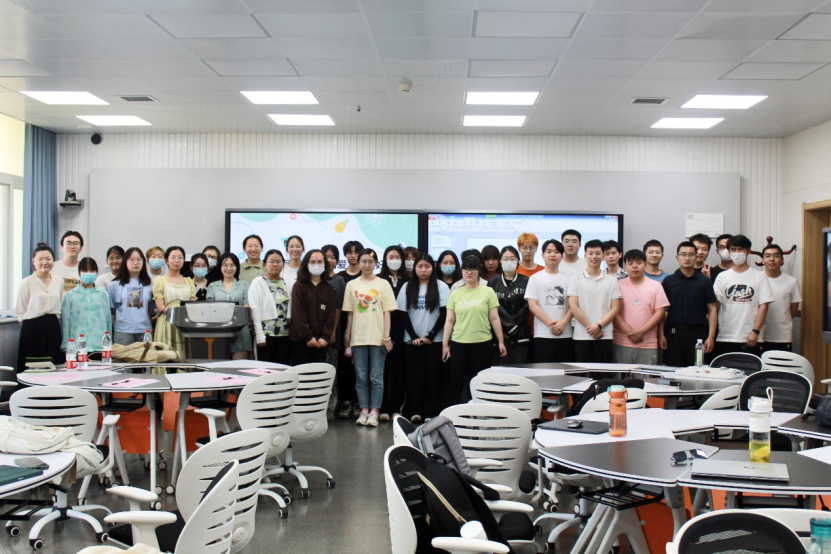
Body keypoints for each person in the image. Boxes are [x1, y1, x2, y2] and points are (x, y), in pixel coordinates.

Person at [343, 249, 397, 428]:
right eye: (363, 261)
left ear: (376, 264)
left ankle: (375, 412)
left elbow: (387, 312)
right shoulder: (351, 285)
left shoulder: (383, 284)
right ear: (358, 263)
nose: (367, 265)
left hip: (378, 338)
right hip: (358, 338)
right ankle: (363, 410)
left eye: (370, 262)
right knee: (361, 377)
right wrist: (347, 336)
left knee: (376, 377)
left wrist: (386, 337)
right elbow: (350, 313)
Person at [443, 255, 506, 406]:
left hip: (482, 344)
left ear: (479, 270)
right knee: (456, 382)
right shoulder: (455, 293)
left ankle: (481, 413)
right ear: (461, 271)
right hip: (459, 344)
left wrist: (501, 341)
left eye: (473, 269)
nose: (469, 272)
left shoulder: (488, 291)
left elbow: (494, 318)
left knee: (480, 382)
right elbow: (449, 320)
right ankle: (451, 414)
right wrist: (445, 345)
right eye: (466, 269)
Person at [398, 254, 449, 422]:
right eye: (420, 266)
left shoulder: (441, 286)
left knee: (433, 377)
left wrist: (431, 334)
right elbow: (402, 314)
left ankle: (431, 412)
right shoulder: (407, 286)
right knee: (414, 378)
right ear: (415, 268)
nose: (423, 270)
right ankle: (414, 411)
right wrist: (413, 336)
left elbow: (445, 314)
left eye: (427, 266)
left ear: (433, 268)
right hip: (412, 341)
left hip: (435, 340)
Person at [712, 235, 774, 357]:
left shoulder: (759, 276)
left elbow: (764, 306)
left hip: (751, 337)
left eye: (740, 249)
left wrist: (755, 331)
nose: (737, 253)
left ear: (748, 251)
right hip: (726, 336)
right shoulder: (722, 277)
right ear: (728, 251)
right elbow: (715, 306)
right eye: (733, 249)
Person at [661, 241, 719, 367]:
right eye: (683, 254)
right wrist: (661, 335)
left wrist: (711, 337)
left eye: (691, 254)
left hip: (698, 334)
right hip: (673, 334)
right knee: (673, 371)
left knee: (697, 370)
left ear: (696, 257)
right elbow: (662, 311)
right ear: (677, 257)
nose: (687, 258)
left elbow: (712, 310)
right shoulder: (668, 281)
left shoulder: (704, 281)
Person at [568, 239, 621, 363]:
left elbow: (615, 308)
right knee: (582, 372)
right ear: (585, 256)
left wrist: (599, 326)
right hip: (581, 336)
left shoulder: (612, 281)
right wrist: (591, 328)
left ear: (603, 256)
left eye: (597, 253)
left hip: (604, 335)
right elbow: (573, 306)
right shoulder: (575, 279)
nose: (594, 256)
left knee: (603, 372)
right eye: (590, 253)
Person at [612, 250, 669, 365]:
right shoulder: (617, 285)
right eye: (630, 263)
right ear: (625, 266)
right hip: (621, 342)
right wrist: (630, 333)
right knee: (620, 376)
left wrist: (640, 332)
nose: (634, 266)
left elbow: (659, 313)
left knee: (646, 376)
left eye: (638, 263)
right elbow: (613, 312)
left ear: (645, 264)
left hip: (648, 344)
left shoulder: (656, 286)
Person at [15, 243, 63, 372]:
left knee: (54, 364)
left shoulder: (59, 281)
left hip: (52, 326)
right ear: (33, 262)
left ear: (53, 261)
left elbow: (60, 302)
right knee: (33, 365)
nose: (44, 262)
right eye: (40, 259)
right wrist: (29, 327)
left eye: (48, 259)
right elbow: (21, 311)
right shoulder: (26, 282)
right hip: (32, 327)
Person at [525, 239, 574, 363]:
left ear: (562, 256)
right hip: (542, 334)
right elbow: (533, 305)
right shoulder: (535, 278)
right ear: (542, 255)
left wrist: (563, 323)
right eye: (549, 251)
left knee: (565, 370)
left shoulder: (570, 278)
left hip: (565, 333)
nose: (552, 255)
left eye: (556, 252)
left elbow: (573, 305)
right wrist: (550, 324)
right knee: (544, 370)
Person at [289, 250, 337, 365]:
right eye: (312, 262)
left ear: (325, 264)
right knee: (301, 373)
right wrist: (308, 337)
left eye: (320, 262)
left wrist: (325, 337)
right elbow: (298, 314)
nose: (316, 265)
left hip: (321, 341)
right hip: (300, 340)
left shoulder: (328, 288)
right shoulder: (299, 286)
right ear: (306, 264)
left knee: (318, 374)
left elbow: (331, 315)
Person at [249, 249, 292, 365]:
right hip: (266, 335)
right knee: (265, 369)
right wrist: (259, 334)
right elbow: (255, 310)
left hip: (285, 335)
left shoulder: (288, 283)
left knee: (283, 368)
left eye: (279, 261)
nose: (275, 264)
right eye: (271, 261)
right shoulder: (258, 282)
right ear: (265, 264)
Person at [378, 245, 407, 420]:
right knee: (382, 371)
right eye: (391, 257)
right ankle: (383, 408)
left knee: (399, 371)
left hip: (402, 330)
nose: (394, 260)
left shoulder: (408, 280)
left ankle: (396, 407)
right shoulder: (378, 280)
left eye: (397, 257)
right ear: (385, 259)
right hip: (381, 330)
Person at [60, 257, 111, 354]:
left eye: (92, 270)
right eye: (85, 270)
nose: (88, 273)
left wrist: (108, 343)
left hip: (99, 346)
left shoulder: (102, 293)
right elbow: (65, 324)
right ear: (79, 272)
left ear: (96, 272)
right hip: (77, 346)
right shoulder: (70, 296)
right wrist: (66, 345)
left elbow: (108, 319)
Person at [489, 246, 530, 365]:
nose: (509, 262)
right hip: (499, 333)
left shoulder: (526, 280)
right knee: (500, 371)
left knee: (519, 370)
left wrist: (514, 327)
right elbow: (493, 306)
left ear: (518, 260)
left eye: (512, 258)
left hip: (520, 333)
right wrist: (507, 327)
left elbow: (527, 306)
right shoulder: (493, 281)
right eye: (505, 259)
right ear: (500, 261)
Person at [206, 253, 252, 360]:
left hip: (240, 331)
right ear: (220, 267)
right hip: (218, 331)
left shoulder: (244, 285)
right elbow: (209, 310)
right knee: (219, 366)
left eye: (232, 265)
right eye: (225, 265)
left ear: (237, 267)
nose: (229, 268)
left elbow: (246, 307)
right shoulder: (213, 286)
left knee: (240, 367)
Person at [153, 246, 196, 358]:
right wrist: (176, 313)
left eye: (180, 258)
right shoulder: (160, 280)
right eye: (173, 257)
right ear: (167, 260)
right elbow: (160, 306)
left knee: (183, 355)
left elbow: (192, 303)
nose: (177, 260)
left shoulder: (188, 281)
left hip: (184, 322)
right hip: (167, 321)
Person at [322, 244, 348, 420]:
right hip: (314, 334)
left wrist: (332, 331)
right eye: (326, 257)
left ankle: (330, 408)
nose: (329, 260)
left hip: (332, 333)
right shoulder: (314, 279)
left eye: (333, 257)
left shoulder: (338, 280)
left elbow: (339, 308)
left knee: (331, 370)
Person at [109, 247, 154, 346]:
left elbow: (150, 308)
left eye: (139, 259)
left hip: (144, 330)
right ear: (125, 262)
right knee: (123, 356)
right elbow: (113, 309)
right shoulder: (114, 285)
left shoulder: (150, 283)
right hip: (122, 331)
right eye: (132, 259)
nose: (136, 263)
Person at [761, 244, 801, 353]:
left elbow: (793, 311)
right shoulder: (756, 279)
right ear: (763, 260)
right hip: (759, 335)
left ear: (782, 259)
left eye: (776, 255)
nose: (772, 259)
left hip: (783, 336)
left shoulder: (791, 281)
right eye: (768, 256)